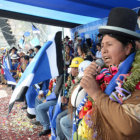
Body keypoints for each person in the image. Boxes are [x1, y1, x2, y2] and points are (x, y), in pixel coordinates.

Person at [78, 7, 140, 140]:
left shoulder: (137, 75)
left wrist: (96, 93)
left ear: (128, 48)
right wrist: (88, 79)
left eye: (109, 44)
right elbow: (77, 103)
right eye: (102, 45)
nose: (103, 51)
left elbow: (128, 126)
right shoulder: (106, 72)